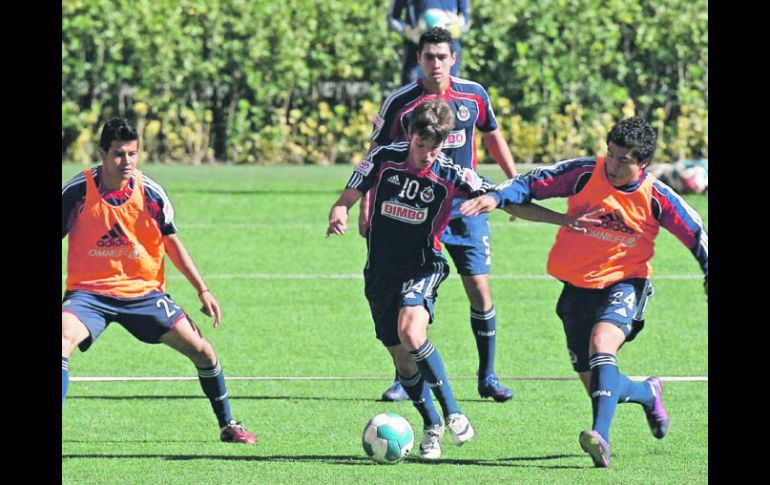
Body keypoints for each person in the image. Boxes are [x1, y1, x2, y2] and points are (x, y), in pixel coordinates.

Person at [460, 117, 709, 468]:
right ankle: (647, 392)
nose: (612, 164)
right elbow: (533, 183)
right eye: (610, 154)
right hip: (576, 289)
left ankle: (600, 436)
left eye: (624, 160)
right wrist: (498, 196)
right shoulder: (582, 173)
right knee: (598, 385)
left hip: (626, 283)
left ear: (643, 164)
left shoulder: (657, 197)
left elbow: (696, 232)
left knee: (601, 344)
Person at [61, 118, 256, 444]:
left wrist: (202, 289)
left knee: (204, 352)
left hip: (144, 294)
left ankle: (228, 424)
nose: (127, 162)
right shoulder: (78, 190)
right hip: (89, 295)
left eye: (133, 154)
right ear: (102, 154)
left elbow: (171, 243)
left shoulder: (149, 191)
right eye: (119, 155)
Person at [326, 99, 489, 460]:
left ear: (444, 143)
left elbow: (501, 193)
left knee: (412, 332)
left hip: (423, 266)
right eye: (420, 145)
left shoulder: (451, 173)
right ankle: (432, 425)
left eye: (434, 147)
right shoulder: (383, 157)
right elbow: (350, 192)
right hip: (380, 273)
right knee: (403, 361)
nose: (426, 154)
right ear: (410, 135)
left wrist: (511, 203)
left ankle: (453, 411)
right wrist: (340, 209)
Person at [363, 26, 518, 403]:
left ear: (453, 58)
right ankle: (404, 378)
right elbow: (376, 154)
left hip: (464, 208)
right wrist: (365, 206)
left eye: (442, 56)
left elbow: (493, 135)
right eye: (428, 56)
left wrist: (514, 183)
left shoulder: (474, 95)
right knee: (401, 296)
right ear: (418, 59)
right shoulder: (400, 102)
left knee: (479, 289)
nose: (436, 63)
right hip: (413, 210)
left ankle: (488, 376)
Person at [387, 1, 471, 85]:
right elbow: (392, 17)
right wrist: (407, 31)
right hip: (416, 55)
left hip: (448, 53)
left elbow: (467, 18)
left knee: (449, 94)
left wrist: (457, 27)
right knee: (413, 94)